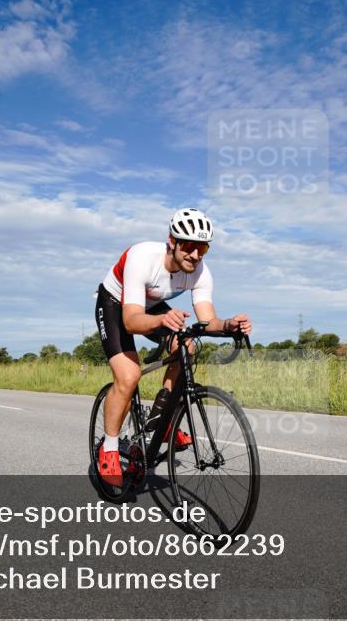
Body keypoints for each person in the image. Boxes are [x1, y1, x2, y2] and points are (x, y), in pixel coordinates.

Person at [94, 208, 252, 486]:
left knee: (187, 346)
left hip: (152, 307)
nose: (195, 255)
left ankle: (162, 417)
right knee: (128, 376)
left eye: (202, 248)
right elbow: (130, 321)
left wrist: (228, 326)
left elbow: (207, 320)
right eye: (189, 246)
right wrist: (162, 319)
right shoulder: (142, 258)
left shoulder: (200, 271)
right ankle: (108, 448)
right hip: (116, 305)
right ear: (172, 241)